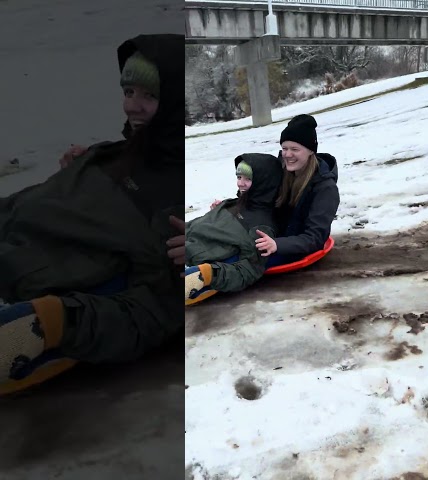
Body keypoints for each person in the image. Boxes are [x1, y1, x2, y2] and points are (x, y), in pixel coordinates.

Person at [0, 34, 184, 384]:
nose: (132, 107)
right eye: (128, 92)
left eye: (150, 96)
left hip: (31, 270)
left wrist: (59, 321)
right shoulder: (117, 152)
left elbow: (152, 311)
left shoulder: (174, 204)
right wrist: (86, 170)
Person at [184, 153, 283, 299]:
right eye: (239, 177)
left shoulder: (261, 227)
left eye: (248, 179)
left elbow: (248, 270)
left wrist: (209, 274)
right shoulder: (234, 203)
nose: (240, 183)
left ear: (263, 182)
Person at [254, 114, 340, 265]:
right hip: (270, 236)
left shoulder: (325, 188)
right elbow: (260, 199)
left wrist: (277, 245)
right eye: (284, 148)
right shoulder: (281, 170)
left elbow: (314, 238)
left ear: (311, 151)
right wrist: (233, 206)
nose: (287, 154)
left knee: (244, 260)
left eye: (295, 149)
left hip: (293, 249)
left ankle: (206, 277)